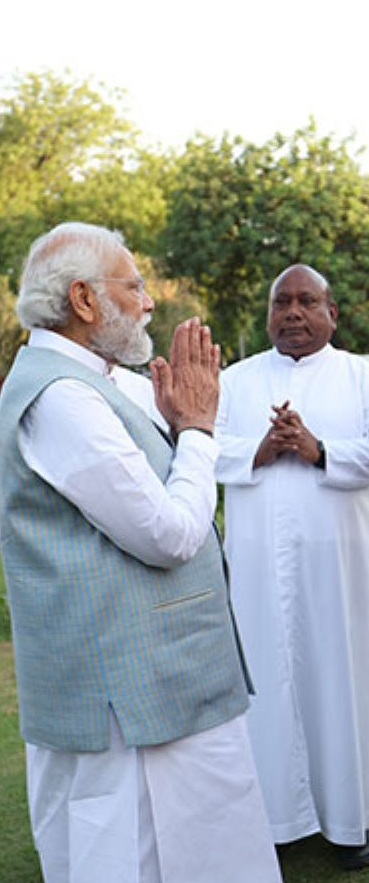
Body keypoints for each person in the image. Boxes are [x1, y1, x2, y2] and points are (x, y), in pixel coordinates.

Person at [0, 221, 282, 883]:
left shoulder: (87, 381)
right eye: (134, 284)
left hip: (160, 686)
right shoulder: (62, 395)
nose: (149, 300)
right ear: (84, 300)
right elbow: (167, 535)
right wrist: (198, 432)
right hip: (125, 706)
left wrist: (171, 425)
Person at [214, 263, 369, 870]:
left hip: (341, 575)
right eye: (281, 302)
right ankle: (275, 821)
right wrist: (261, 449)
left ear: (332, 313)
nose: (292, 312)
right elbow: (201, 447)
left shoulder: (368, 380)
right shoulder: (236, 382)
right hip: (260, 574)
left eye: (306, 301)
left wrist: (317, 450)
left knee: (344, 683)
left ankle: (351, 821)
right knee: (267, 685)